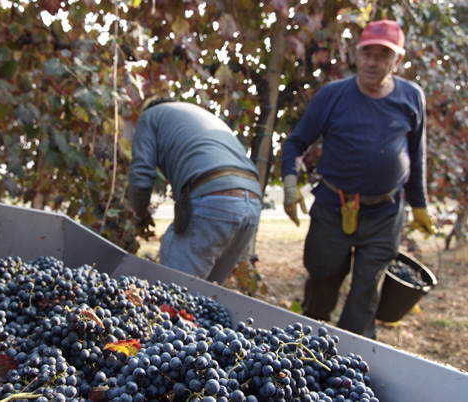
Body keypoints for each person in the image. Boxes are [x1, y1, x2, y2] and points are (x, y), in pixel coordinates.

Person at [281, 19, 437, 339]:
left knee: (365, 292)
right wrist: (288, 183)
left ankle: (352, 363)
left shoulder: (411, 97)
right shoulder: (333, 96)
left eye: (383, 54)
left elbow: (416, 156)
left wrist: (419, 205)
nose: (372, 61)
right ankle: (309, 342)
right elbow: (296, 142)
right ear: (356, 53)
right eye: (367, 52)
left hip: (385, 212)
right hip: (332, 207)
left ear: (398, 60)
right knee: (323, 278)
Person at [128, 97, 262, 285]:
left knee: (173, 294)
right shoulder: (199, 115)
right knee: (209, 296)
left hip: (215, 199)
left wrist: (140, 215)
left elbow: (141, 175)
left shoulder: (150, 116)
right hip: (252, 201)